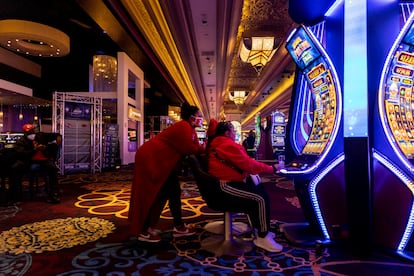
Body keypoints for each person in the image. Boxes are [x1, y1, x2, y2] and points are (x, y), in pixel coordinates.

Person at [128, 103, 205, 242]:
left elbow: (196, 147)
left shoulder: (190, 129)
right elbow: (189, 148)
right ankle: (144, 230)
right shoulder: (183, 126)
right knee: (149, 193)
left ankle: (173, 226)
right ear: (191, 117)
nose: (201, 119)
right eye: (199, 116)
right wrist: (203, 148)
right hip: (151, 158)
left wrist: (201, 148)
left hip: (162, 162)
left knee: (170, 192)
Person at [206, 121, 284, 252]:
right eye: (233, 131)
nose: (235, 133)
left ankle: (260, 229)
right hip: (224, 185)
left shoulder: (220, 143)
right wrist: (272, 168)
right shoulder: (226, 145)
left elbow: (246, 163)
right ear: (227, 133)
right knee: (260, 198)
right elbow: (248, 164)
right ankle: (262, 237)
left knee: (258, 191)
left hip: (224, 182)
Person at [9, 124, 61, 204]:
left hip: (43, 159)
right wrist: (35, 149)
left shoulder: (41, 135)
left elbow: (55, 135)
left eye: (32, 131)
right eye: (29, 133)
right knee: (15, 168)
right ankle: (15, 196)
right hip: (29, 160)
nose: (31, 134)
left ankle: (54, 195)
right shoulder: (21, 141)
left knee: (52, 168)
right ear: (25, 133)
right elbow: (21, 153)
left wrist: (58, 137)